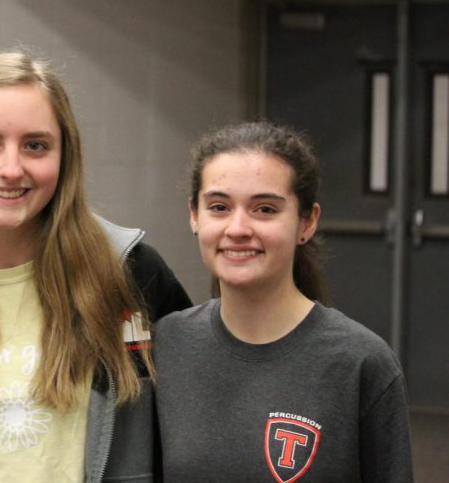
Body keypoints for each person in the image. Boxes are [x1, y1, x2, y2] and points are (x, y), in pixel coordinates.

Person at [0, 51, 191, 482]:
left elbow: (190, 433)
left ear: (65, 155)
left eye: (36, 146)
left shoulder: (130, 275)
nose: (12, 168)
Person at [153, 121, 413, 482]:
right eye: (219, 206)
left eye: (265, 209)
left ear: (307, 222)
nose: (238, 228)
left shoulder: (360, 363)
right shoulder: (165, 345)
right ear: (194, 216)